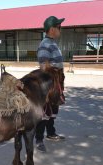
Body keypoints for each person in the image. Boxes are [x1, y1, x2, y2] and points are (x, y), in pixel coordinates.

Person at [35, 16, 65, 152]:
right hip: (49, 84)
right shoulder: (45, 44)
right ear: (52, 29)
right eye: (59, 27)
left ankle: (51, 133)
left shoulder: (52, 43)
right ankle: (39, 139)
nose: (60, 29)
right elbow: (43, 67)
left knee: (53, 110)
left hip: (56, 82)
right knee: (45, 112)